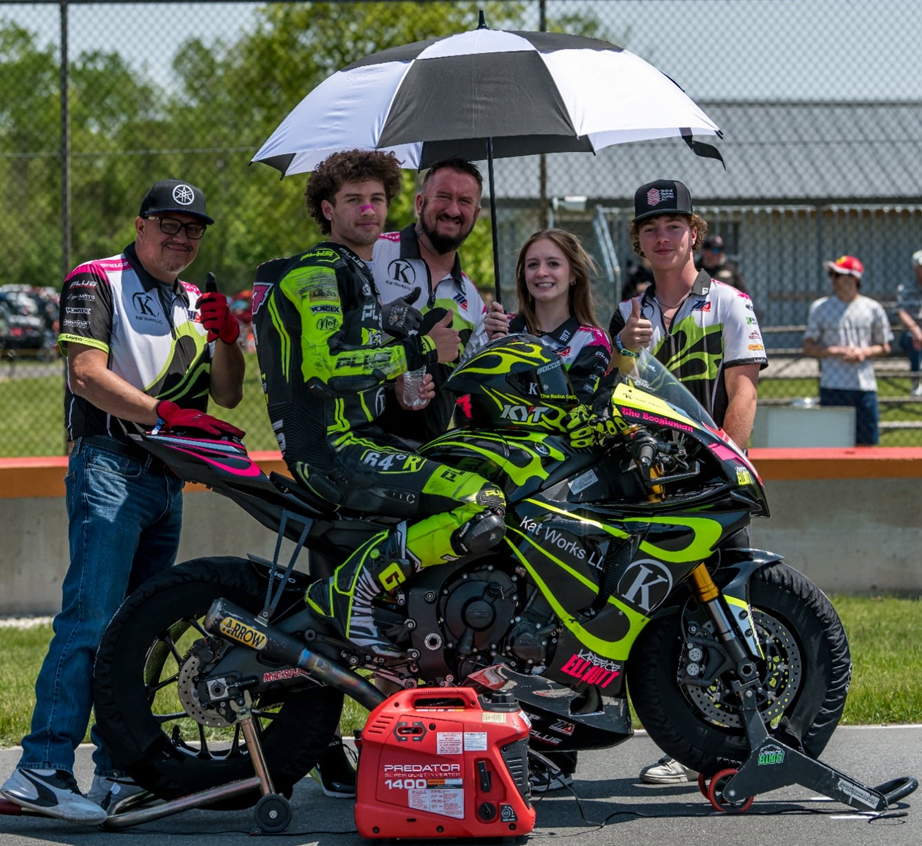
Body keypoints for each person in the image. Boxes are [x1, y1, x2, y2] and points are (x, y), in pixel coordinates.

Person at [1, 179, 246, 824]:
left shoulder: (195, 297)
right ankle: (42, 770)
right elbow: (85, 374)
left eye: (193, 228)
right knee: (91, 619)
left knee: (139, 633)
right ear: (140, 226)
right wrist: (165, 413)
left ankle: (117, 774)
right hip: (109, 467)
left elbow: (225, 395)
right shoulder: (95, 278)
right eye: (168, 223)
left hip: (168, 478)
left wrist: (228, 339)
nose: (181, 236)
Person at [252, 146, 506, 666]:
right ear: (327, 209)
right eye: (353, 200)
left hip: (360, 440)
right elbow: (325, 370)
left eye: (375, 199)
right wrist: (420, 349)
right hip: (331, 450)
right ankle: (350, 595)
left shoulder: (357, 272)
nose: (368, 210)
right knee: (481, 502)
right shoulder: (320, 271)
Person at [574, 179, 767, 786]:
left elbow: (744, 390)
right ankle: (681, 743)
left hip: (708, 481)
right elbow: (612, 396)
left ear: (695, 233)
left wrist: (727, 465)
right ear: (638, 240)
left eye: (674, 226)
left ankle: (749, 733)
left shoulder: (731, 302)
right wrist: (623, 351)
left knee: (724, 611)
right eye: (652, 229)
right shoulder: (628, 314)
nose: (664, 237)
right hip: (646, 488)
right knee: (654, 614)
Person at [373, 157, 489, 441]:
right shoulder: (373, 254)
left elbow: (471, 393)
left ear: (476, 214)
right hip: (360, 442)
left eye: (465, 202)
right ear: (420, 203)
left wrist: (497, 344)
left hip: (427, 454)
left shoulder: (474, 302)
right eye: (443, 197)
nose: (453, 210)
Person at [484, 228, 612, 403]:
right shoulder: (500, 327)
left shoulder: (591, 340)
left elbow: (575, 410)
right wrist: (490, 350)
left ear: (574, 274)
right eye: (532, 265)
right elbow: (474, 401)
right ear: (524, 275)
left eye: (553, 264)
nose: (541, 272)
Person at [803, 255, 893, 445]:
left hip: (864, 387)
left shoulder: (872, 308)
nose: (833, 279)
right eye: (832, 274)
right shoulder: (821, 307)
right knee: (832, 444)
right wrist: (835, 351)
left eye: (838, 275)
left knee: (867, 445)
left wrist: (864, 353)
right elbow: (808, 346)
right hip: (832, 386)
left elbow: (885, 346)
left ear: (854, 279)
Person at [894, 249, 922, 397]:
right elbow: (900, 311)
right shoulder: (906, 289)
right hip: (912, 332)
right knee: (914, 339)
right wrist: (915, 329)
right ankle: (917, 383)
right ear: (915, 269)